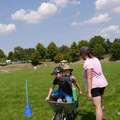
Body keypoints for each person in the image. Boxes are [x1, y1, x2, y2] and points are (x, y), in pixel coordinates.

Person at [77, 46, 108, 120]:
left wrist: (89, 92)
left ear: (84, 53)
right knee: (100, 104)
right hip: (102, 84)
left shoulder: (87, 63)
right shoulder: (95, 59)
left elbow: (89, 77)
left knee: (97, 106)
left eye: (81, 54)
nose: (81, 56)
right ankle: (103, 118)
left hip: (95, 86)